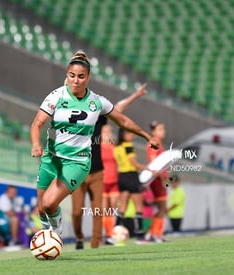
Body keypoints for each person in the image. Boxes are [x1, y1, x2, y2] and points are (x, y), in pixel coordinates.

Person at [30, 51, 159, 243]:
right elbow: (37, 123)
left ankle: (55, 235)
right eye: (72, 75)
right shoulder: (56, 96)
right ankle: (49, 236)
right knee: (42, 208)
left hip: (77, 162)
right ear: (67, 74)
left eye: (81, 76)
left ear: (88, 77)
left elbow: (122, 119)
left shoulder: (97, 102)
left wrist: (146, 135)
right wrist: (36, 144)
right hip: (51, 158)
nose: (76, 80)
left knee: (50, 203)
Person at [72, 84, 147, 249]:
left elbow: (118, 108)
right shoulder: (72, 118)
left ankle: (97, 242)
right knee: (77, 211)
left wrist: (135, 95)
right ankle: (79, 238)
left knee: (101, 210)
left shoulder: (99, 118)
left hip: (100, 175)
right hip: (78, 171)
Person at [113, 127, 158, 240]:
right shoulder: (128, 146)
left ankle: (115, 230)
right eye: (130, 133)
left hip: (122, 177)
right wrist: (149, 169)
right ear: (123, 135)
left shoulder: (117, 147)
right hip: (131, 176)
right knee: (139, 206)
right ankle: (140, 233)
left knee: (123, 206)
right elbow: (134, 163)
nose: (133, 135)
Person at [144, 120, 168, 242]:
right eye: (160, 129)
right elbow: (154, 165)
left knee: (161, 208)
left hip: (159, 179)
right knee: (162, 208)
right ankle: (154, 234)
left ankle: (154, 233)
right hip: (157, 180)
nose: (163, 131)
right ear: (153, 131)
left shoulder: (159, 143)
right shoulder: (154, 143)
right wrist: (162, 179)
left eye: (163, 129)